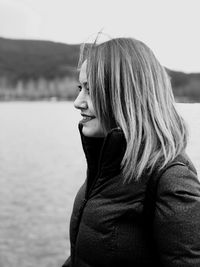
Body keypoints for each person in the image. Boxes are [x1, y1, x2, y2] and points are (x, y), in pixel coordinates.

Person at [62, 37, 200, 267]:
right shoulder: (107, 165)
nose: (78, 102)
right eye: (80, 88)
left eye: (90, 90)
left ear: (125, 95)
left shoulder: (172, 180)